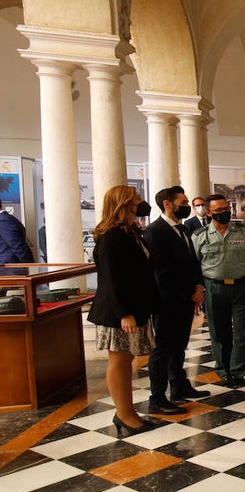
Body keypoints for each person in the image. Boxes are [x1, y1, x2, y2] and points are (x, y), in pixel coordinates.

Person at [87, 185, 161, 436]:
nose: (140, 202)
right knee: (119, 361)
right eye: (136, 199)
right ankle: (124, 414)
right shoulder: (112, 236)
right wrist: (124, 313)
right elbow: (111, 278)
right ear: (123, 204)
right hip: (118, 311)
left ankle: (127, 411)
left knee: (127, 360)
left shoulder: (128, 232)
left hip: (135, 306)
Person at [142, 185, 206, 414]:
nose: (187, 206)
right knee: (163, 348)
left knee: (179, 344)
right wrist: (189, 292)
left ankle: (179, 386)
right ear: (167, 204)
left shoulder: (182, 229)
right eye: (183, 202)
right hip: (167, 300)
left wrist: (198, 287)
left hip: (185, 298)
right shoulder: (155, 232)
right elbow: (163, 272)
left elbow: (192, 262)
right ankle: (157, 397)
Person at [192, 193, 245, 387]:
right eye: (218, 210)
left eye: (226, 209)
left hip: (242, 286)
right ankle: (223, 369)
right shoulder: (200, 236)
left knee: (242, 331)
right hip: (213, 288)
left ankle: (240, 370)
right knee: (219, 332)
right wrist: (196, 290)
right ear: (209, 212)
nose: (224, 213)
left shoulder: (243, 231)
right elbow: (192, 266)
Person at [0, 197, 34, 264]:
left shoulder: (3, 220)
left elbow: (17, 246)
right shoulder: (7, 219)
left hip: (10, 268)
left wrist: (29, 266)